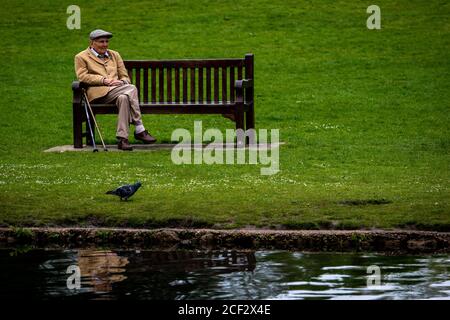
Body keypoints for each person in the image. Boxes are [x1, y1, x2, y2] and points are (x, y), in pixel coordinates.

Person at [74, 29, 156, 151]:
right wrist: (104, 80)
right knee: (132, 88)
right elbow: (83, 77)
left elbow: (124, 76)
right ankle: (139, 127)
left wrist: (121, 82)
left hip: (119, 91)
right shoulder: (81, 57)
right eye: (101, 42)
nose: (105, 44)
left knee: (124, 98)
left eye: (107, 41)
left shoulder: (114, 55)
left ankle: (123, 140)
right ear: (92, 42)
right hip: (98, 94)